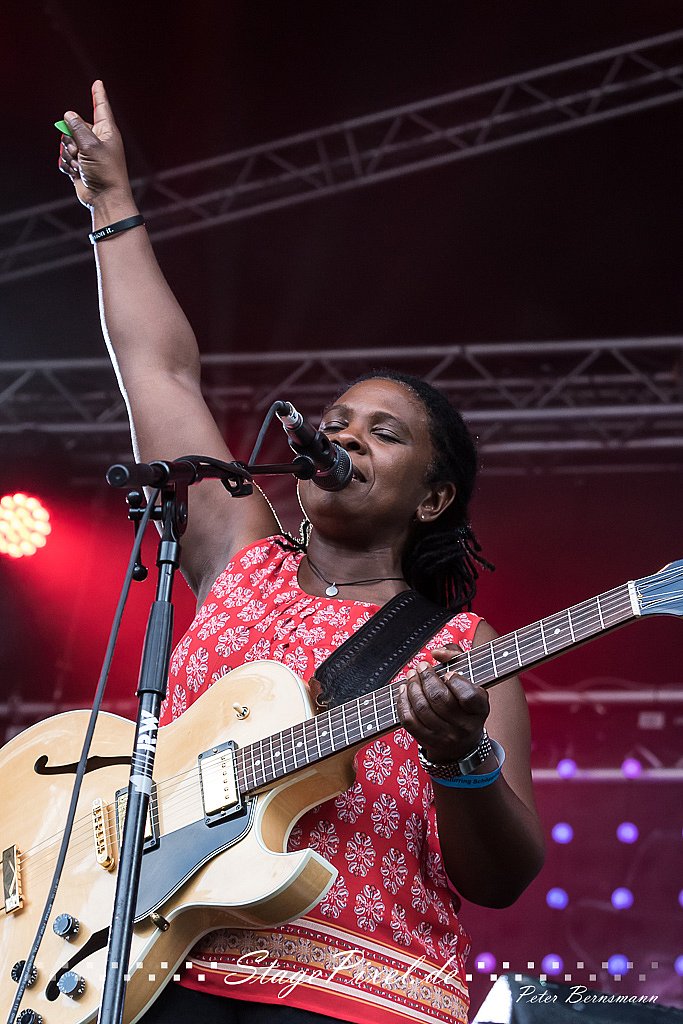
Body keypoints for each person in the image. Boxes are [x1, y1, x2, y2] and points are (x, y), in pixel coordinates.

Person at [58, 81, 545, 1024]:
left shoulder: (463, 649)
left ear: (434, 497)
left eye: (383, 434)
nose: (345, 435)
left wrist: (462, 757)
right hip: (168, 968)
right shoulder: (240, 555)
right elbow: (161, 370)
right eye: (337, 421)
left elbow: (502, 877)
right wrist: (110, 204)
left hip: (361, 993)